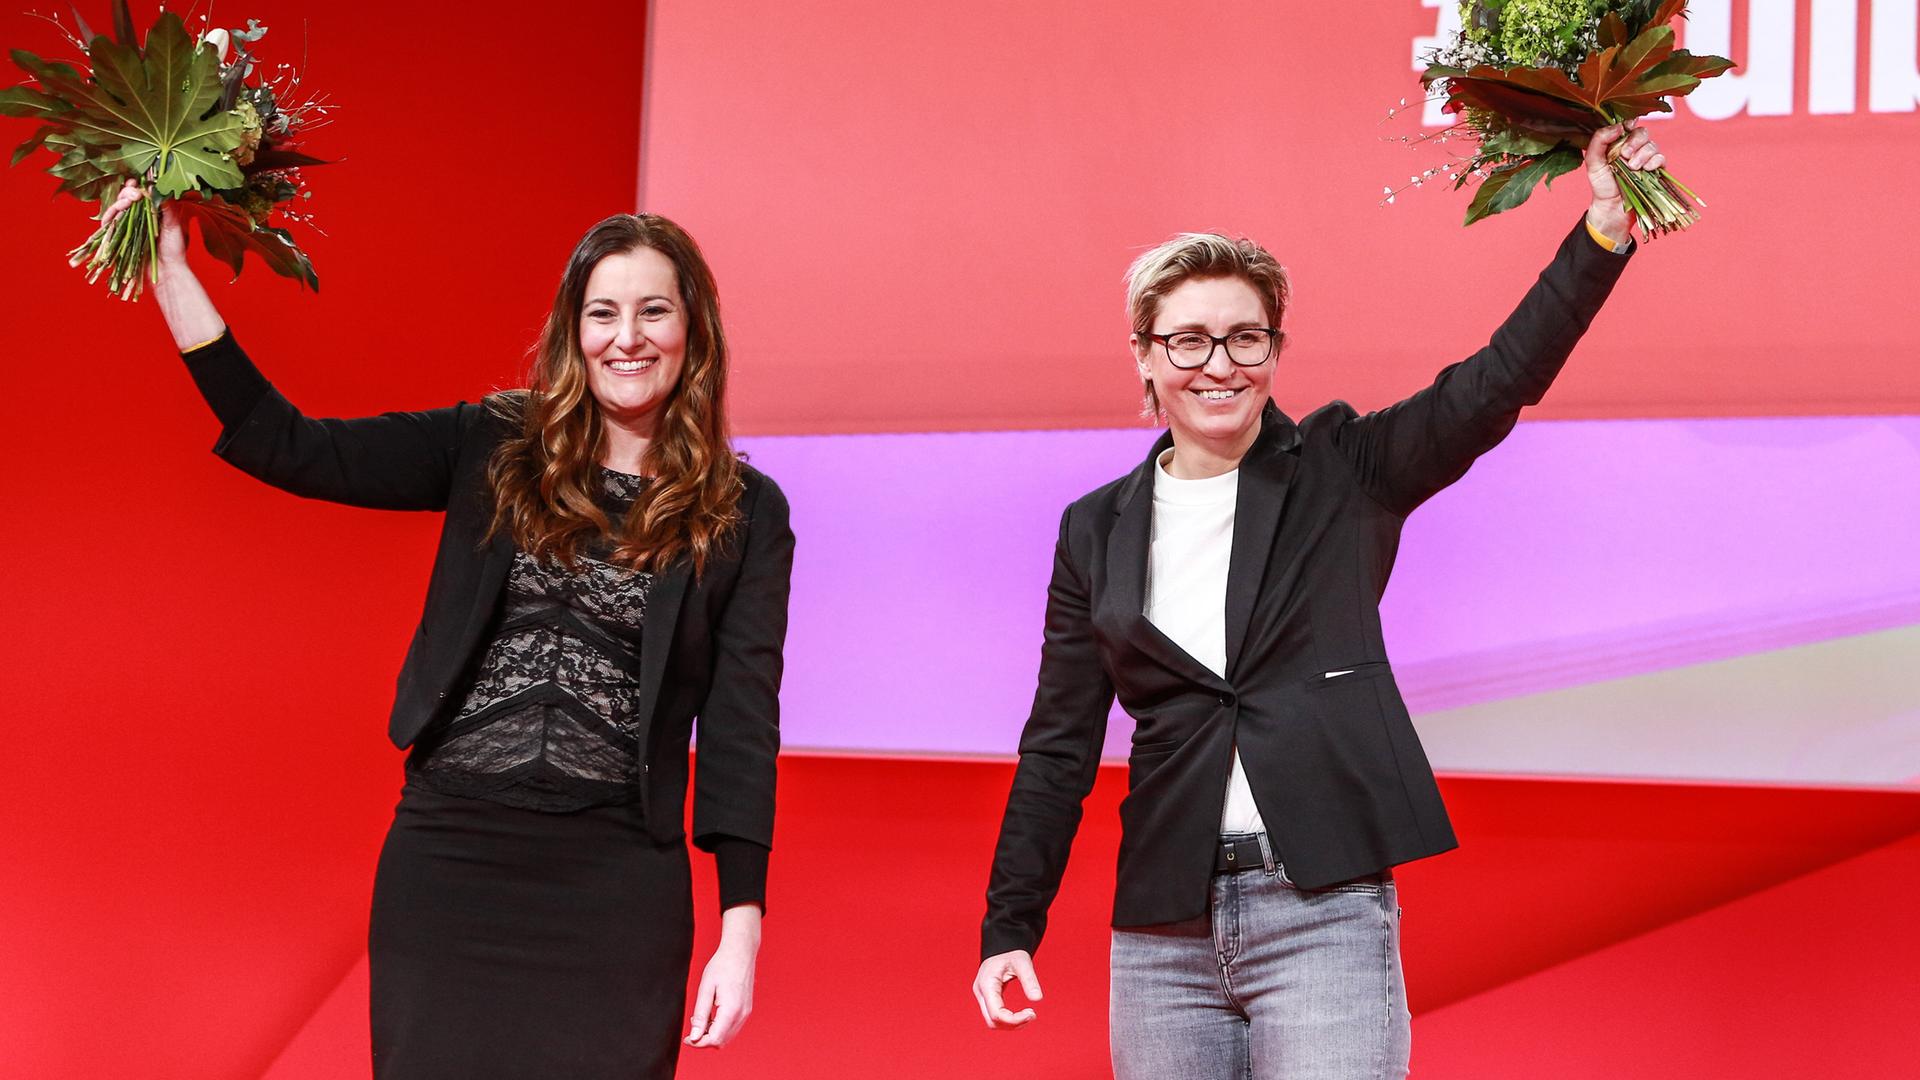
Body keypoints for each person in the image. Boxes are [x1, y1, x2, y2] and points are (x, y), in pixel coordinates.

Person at [972, 123, 1662, 1078]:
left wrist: (1601, 233)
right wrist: (1011, 922)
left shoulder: (1345, 469)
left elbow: (1495, 384)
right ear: (1143, 355)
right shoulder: (1095, 529)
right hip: (1162, 931)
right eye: (1189, 340)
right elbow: (1059, 741)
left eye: (1245, 338)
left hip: (1324, 911)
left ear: (1276, 348)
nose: (1219, 364)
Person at [112, 185, 793, 1079]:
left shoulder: (744, 512)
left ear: (693, 330)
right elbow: (291, 445)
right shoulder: (494, 442)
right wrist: (169, 275)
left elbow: (743, 724)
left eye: (652, 310)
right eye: (602, 313)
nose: (626, 336)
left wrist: (740, 930)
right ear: (572, 332)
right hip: (452, 863)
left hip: (619, 882)